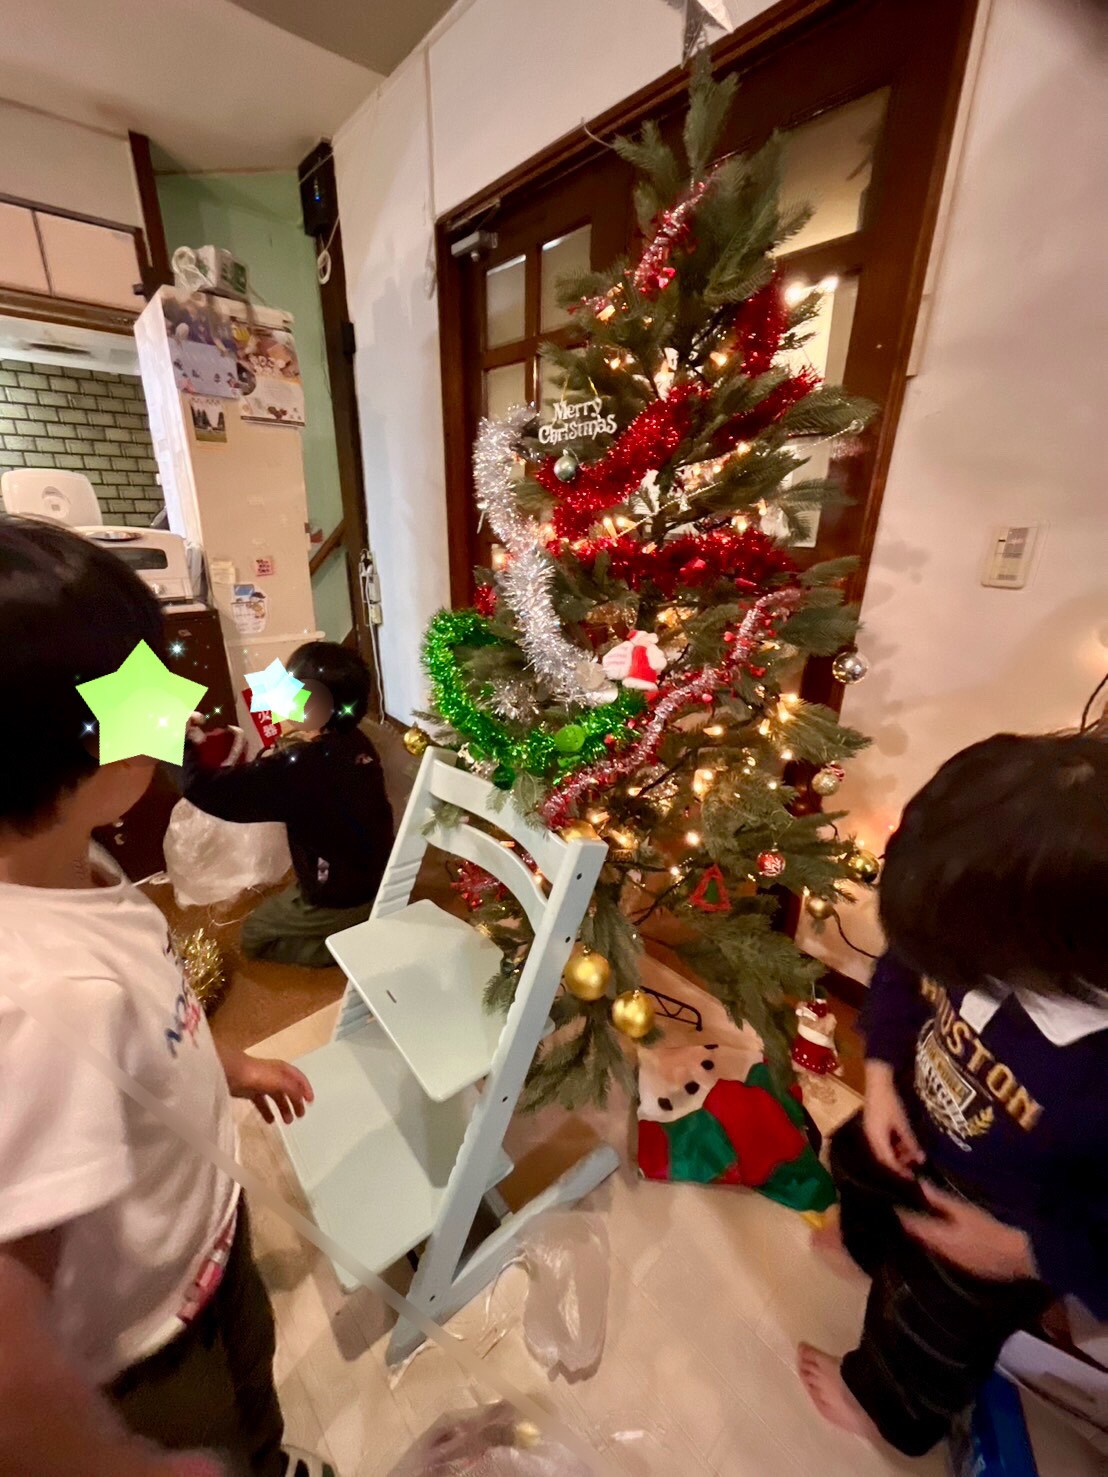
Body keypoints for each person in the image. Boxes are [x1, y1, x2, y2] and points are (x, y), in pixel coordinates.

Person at [0, 517, 329, 1477]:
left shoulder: (78, 867)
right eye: (144, 688)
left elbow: (148, 1015)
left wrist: (227, 1065)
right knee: (217, 1429)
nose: (175, 709)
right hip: (144, 1348)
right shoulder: (45, 999)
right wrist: (114, 1463)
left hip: (206, 1241)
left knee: (255, 1399)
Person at [798, 732, 1108, 1456]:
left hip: (1002, 1223)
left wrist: (1026, 1253)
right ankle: (865, 1245)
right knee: (857, 1168)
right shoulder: (972, 920)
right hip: (912, 1116)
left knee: (931, 1331)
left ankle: (883, 1409)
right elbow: (904, 969)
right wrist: (880, 1076)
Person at [183, 642, 394, 969]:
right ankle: (355, 922)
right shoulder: (355, 740)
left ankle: (354, 945)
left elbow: (210, 791)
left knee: (255, 934)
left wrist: (182, 743)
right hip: (375, 876)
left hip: (341, 896)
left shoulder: (303, 766)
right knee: (285, 901)